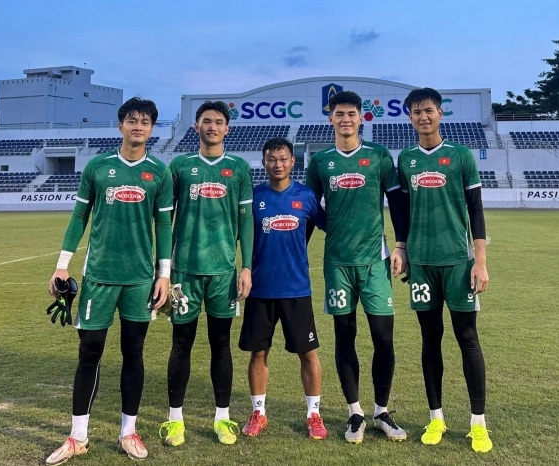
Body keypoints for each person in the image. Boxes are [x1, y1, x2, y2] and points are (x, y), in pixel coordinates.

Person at [45, 97, 173, 464]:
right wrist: (62, 265)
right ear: (121, 125)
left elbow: (164, 224)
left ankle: (128, 432)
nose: (138, 126)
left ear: (152, 128)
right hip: (99, 276)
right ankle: (77, 437)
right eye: (132, 120)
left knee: (134, 353)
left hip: (139, 280)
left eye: (145, 121)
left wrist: (164, 275)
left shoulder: (159, 173)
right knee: (89, 353)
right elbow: (78, 217)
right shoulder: (98, 167)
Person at [305, 90, 409, 444]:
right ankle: (355, 412)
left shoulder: (379, 156)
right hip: (337, 263)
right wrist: (297, 251)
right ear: (331, 119)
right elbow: (309, 210)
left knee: (383, 337)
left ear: (361, 118)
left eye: (351, 113)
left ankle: (381, 411)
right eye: (339, 114)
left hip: (375, 261)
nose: (345, 119)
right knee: (344, 335)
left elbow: (396, 202)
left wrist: (400, 245)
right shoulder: (321, 162)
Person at [397, 87, 492, 453]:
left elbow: (476, 209)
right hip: (421, 264)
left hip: (458, 262)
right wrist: (403, 250)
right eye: (417, 112)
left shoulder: (461, 156)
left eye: (429, 110)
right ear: (410, 118)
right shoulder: (406, 159)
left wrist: (480, 261)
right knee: (430, 339)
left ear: (440, 113)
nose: (423, 117)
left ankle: (478, 423)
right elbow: (403, 212)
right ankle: (436, 418)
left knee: (467, 338)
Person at [160, 100, 253, 446]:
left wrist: (246, 266)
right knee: (181, 343)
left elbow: (246, 220)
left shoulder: (238, 168)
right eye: (206, 121)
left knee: (221, 344)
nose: (212, 127)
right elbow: (165, 220)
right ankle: (175, 419)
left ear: (227, 128)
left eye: (218, 122)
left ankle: (222, 417)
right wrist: (163, 269)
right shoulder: (180, 166)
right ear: (196, 126)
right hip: (184, 272)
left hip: (223, 273)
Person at [238, 137, 327, 440]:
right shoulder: (254, 197)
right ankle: (258, 412)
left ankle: (314, 414)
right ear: (264, 162)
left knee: (308, 353)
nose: (278, 164)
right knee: (258, 353)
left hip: (296, 289)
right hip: (260, 289)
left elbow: (328, 225)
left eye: (283, 159)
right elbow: (238, 233)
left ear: (293, 161)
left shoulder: (306, 196)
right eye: (272, 159)